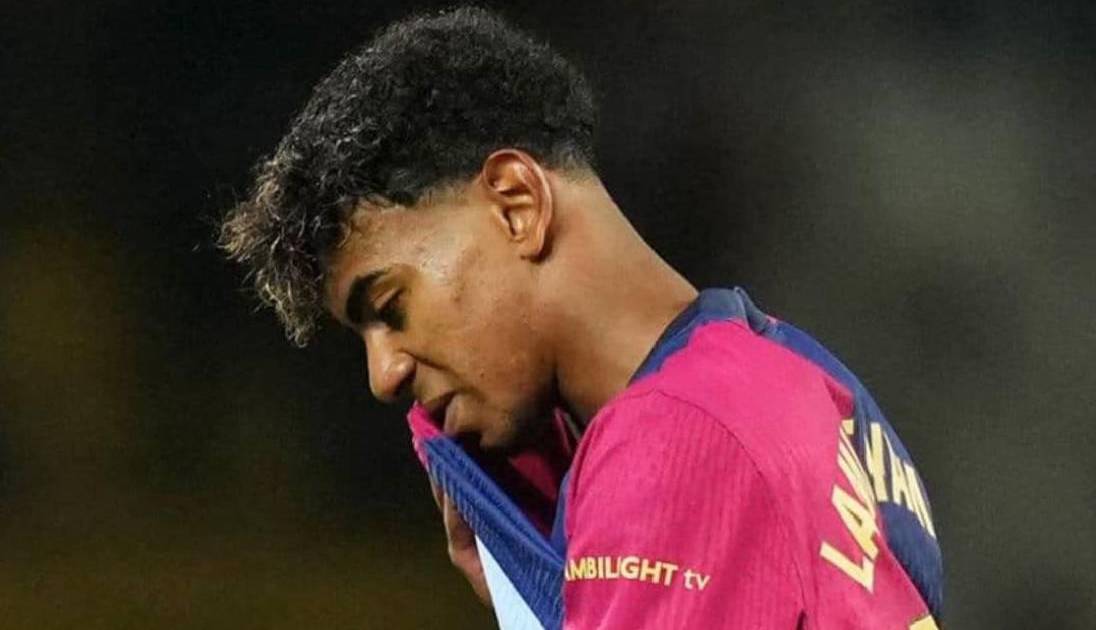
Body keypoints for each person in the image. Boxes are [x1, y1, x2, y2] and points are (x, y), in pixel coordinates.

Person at [219, 7, 944, 629]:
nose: (384, 374)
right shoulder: (805, 380)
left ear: (516, 204)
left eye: (390, 308)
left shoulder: (676, 440)